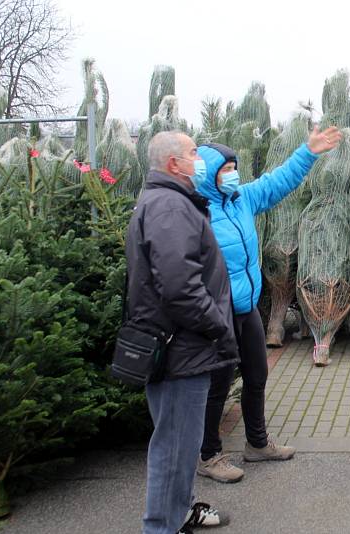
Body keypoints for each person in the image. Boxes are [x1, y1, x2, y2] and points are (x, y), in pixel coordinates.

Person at [195, 125, 343, 483]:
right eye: (225, 169)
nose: (232, 174)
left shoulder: (241, 199)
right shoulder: (196, 212)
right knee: (217, 384)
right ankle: (208, 455)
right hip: (217, 312)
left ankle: (257, 444)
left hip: (246, 308)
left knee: (257, 374)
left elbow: (278, 182)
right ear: (207, 174)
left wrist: (308, 152)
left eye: (234, 168)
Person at [125, 130, 239, 533]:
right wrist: (218, 326)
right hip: (180, 350)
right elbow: (179, 287)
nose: (200, 159)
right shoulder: (170, 208)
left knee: (180, 445)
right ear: (174, 163)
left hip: (183, 346)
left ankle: (181, 510)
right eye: (193, 153)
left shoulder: (171, 202)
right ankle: (162, 526)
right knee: (174, 449)